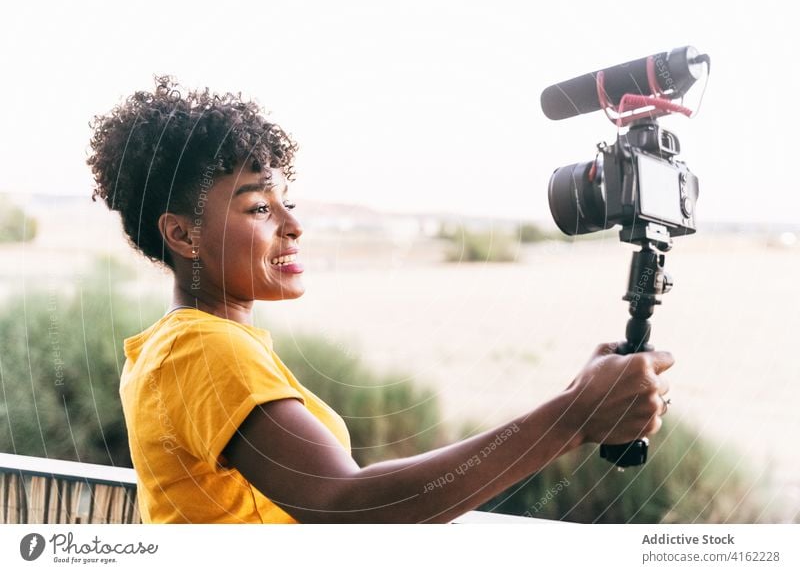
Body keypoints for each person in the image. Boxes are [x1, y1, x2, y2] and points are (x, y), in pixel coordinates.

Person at [88, 76, 673, 524]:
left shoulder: (180, 346)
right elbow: (346, 504)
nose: (292, 225)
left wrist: (576, 400)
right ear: (182, 234)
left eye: (286, 201)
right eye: (259, 208)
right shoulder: (202, 349)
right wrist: (572, 418)